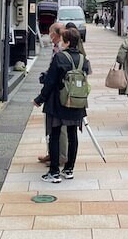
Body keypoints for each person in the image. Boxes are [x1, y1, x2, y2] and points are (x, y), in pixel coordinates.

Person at [33, 27, 90, 183]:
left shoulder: (59, 57)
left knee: (55, 136)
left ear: (67, 42)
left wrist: (39, 99)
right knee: (73, 136)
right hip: (77, 102)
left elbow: (51, 81)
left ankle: (54, 172)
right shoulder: (83, 59)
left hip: (59, 102)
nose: (61, 42)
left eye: (63, 40)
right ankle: (69, 169)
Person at [37, 22, 67, 165]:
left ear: (56, 34)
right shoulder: (56, 47)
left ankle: (60, 156)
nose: (49, 36)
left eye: (51, 33)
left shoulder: (62, 48)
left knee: (60, 126)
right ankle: (52, 153)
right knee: (50, 124)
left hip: (59, 92)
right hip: (53, 90)